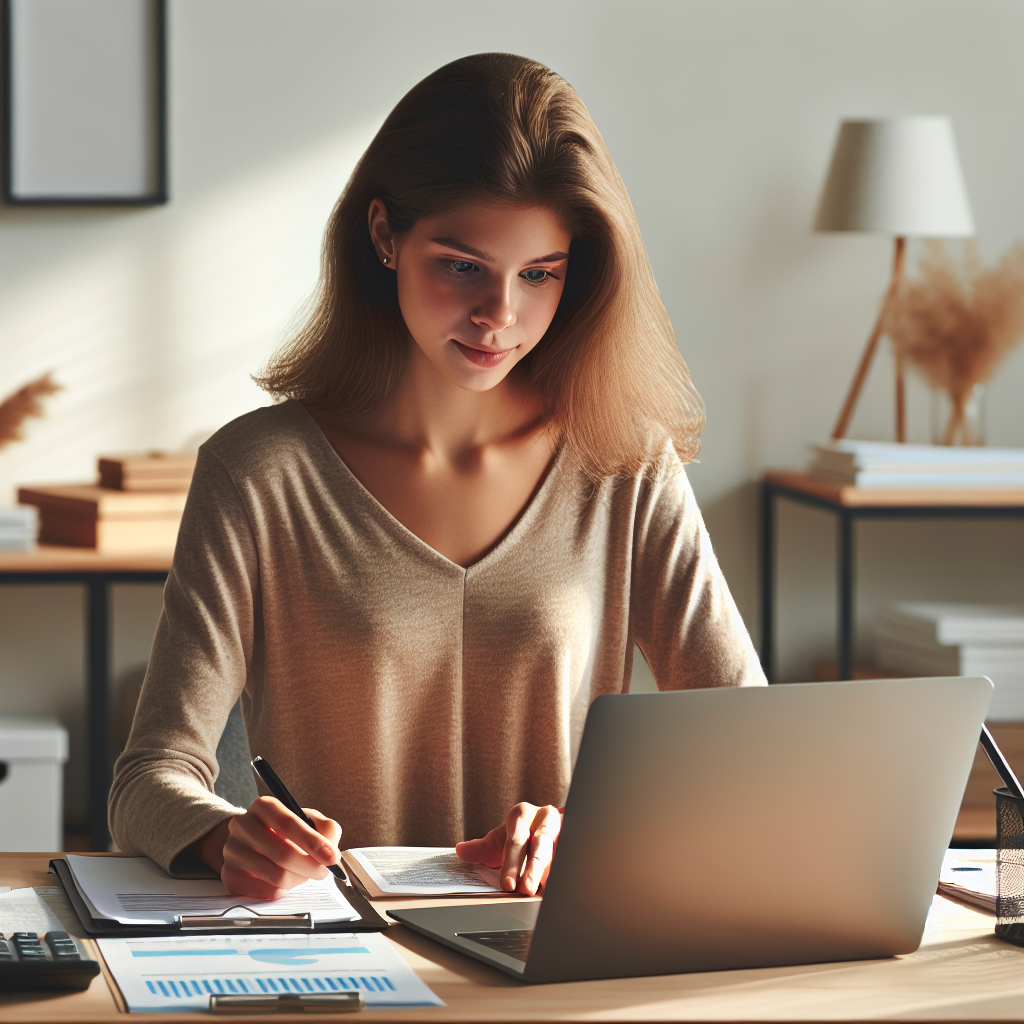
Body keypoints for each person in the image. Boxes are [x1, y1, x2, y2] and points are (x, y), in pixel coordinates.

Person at [109, 53, 765, 901]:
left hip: (558, 954)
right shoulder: (257, 473)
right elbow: (149, 779)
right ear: (384, 235)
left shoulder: (624, 464)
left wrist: (597, 831)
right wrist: (221, 835)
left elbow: (745, 750)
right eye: (462, 265)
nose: (500, 315)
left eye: (539, 275)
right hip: (341, 956)